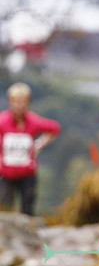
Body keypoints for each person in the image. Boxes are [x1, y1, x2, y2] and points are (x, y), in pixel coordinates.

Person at [0, 82, 62, 216]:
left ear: (28, 103)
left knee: (27, 210)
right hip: (7, 174)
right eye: (16, 101)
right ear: (10, 102)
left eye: (22, 102)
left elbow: (54, 128)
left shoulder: (33, 121)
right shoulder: (3, 121)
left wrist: (39, 144)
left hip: (27, 174)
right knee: (5, 209)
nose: (19, 106)